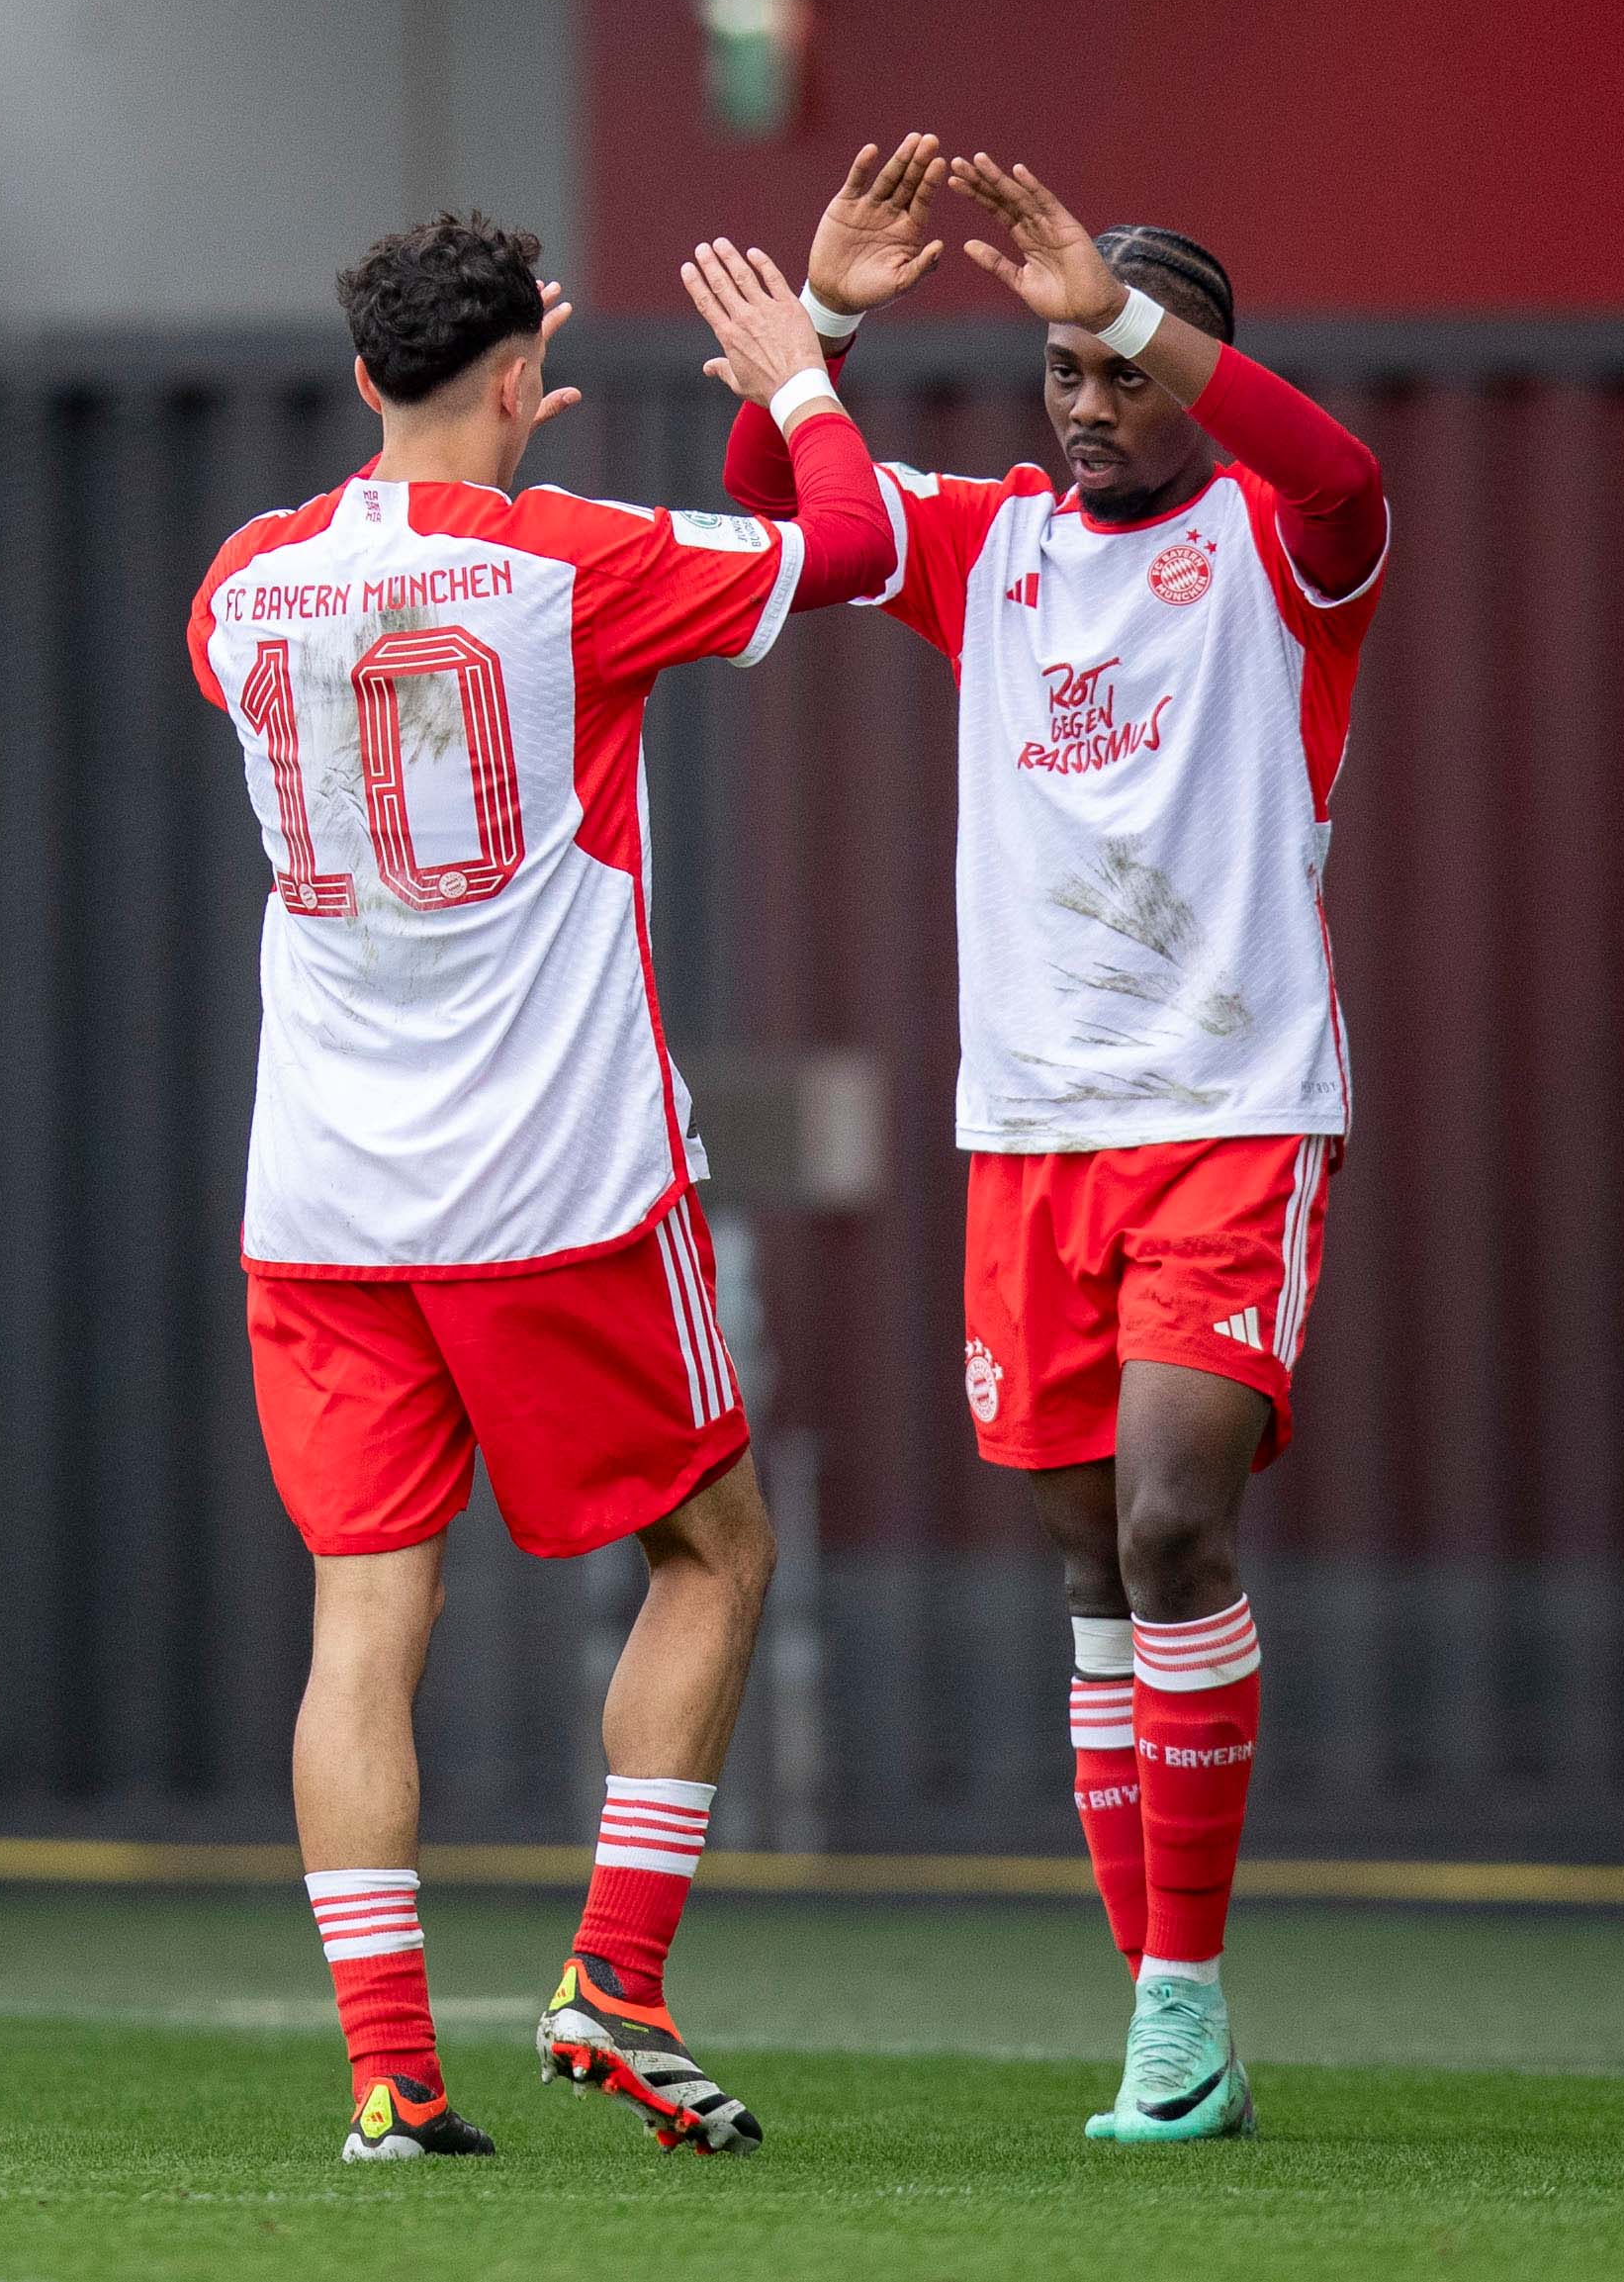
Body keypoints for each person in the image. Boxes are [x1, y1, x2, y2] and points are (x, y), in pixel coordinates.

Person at [185, 214, 893, 2160]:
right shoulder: (570, 559)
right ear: (524, 376)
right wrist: (803, 370)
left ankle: (390, 2075)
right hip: (552, 1186)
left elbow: (375, 648)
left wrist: (471, 450)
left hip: (324, 1198)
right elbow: (840, 546)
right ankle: (614, 1974)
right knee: (718, 1553)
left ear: (360, 380)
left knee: (360, 1624)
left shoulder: (238, 587)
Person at [722, 138, 1390, 2144]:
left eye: (1117, 365)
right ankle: (1166, 2015)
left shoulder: (1285, 544)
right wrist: (821, 330)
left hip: (1230, 1111)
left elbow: (1350, 475)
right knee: (1097, 1575)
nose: (1089, 403)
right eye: (1064, 373)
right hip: (1026, 1133)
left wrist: (1111, 293)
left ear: (1187, 366)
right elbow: (788, 514)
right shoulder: (990, 543)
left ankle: (1175, 2003)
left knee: (1182, 1518)